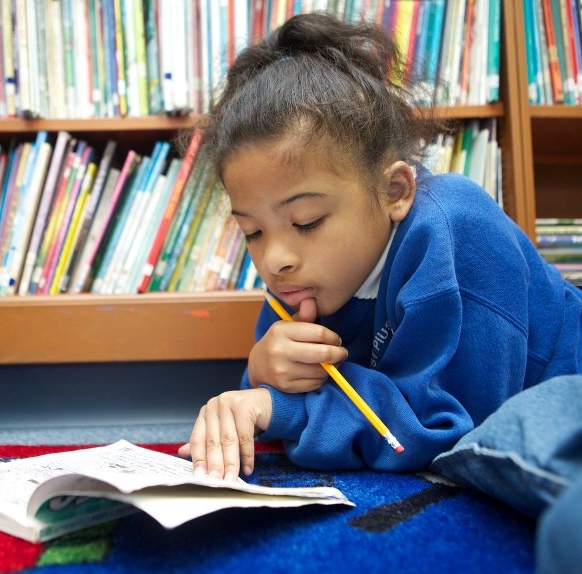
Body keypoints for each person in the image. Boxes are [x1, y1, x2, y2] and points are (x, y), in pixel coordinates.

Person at [178, 12, 582, 482]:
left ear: (395, 191)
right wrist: (263, 371)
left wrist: (283, 407)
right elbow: (285, 395)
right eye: (252, 232)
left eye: (306, 222)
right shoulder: (303, 276)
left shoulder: (455, 230)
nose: (274, 259)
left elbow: (446, 429)